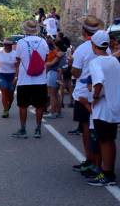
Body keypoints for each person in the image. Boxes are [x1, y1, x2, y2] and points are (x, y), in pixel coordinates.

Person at [70, 16, 106, 173]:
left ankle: (91, 160)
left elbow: (76, 74)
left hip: (84, 94)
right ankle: (98, 163)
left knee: (87, 128)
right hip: (103, 94)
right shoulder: (107, 49)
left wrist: (72, 65)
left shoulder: (82, 49)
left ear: (84, 31)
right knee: (100, 130)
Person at [84, 30, 120, 186]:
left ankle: (107, 174)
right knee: (110, 140)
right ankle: (109, 172)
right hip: (114, 105)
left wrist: (94, 98)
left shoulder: (96, 62)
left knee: (105, 141)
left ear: (94, 44)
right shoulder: (113, 60)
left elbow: (98, 82)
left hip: (103, 107)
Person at [11, 20, 49, 139]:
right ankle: (38, 129)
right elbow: (46, 58)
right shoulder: (43, 42)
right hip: (41, 79)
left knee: (23, 105)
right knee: (39, 106)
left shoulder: (21, 42)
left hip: (24, 79)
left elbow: (17, 61)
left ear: (25, 30)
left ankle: (23, 129)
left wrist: (16, 76)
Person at [0, 38, 17, 118]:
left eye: (9, 44)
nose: (7, 46)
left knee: (10, 94)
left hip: (12, 75)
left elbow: (18, 67)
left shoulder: (15, 54)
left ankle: (8, 106)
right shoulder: (0, 53)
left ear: (11, 45)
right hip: (1, 75)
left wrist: (16, 77)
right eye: (5, 44)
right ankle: (5, 110)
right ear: (3, 45)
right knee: (4, 91)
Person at [44, 37, 65, 119]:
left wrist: (45, 63)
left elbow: (52, 63)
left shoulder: (59, 53)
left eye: (55, 46)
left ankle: (53, 112)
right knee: (56, 94)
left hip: (53, 73)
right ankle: (58, 112)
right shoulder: (62, 53)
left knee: (52, 94)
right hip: (57, 74)